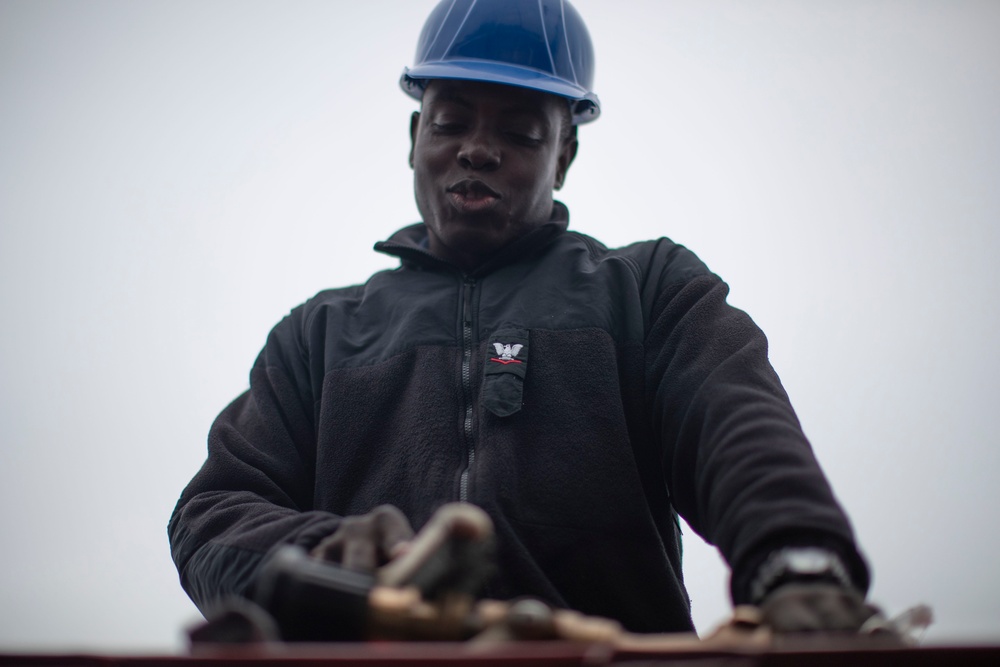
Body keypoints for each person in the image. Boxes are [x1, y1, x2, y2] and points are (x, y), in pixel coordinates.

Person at [169, 0, 875, 635]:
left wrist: (798, 558)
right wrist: (327, 557)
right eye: (450, 122)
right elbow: (215, 512)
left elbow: (737, 423)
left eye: (521, 131)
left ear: (564, 155)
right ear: (415, 136)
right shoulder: (315, 337)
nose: (477, 148)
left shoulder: (650, 290)